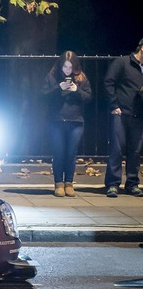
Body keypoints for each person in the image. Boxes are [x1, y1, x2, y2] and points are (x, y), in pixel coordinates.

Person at [42, 51, 92, 197]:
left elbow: (89, 97)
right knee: (58, 152)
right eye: (65, 67)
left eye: (70, 67)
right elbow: (43, 96)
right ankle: (58, 183)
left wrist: (77, 91)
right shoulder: (52, 76)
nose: (68, 70)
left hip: (75, 121)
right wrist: (59, 88)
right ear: (60, 66)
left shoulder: (81, 78)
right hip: (56, 120)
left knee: (71, 153)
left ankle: (69, 183)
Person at [103, 39, 143, 197]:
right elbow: (108, 82)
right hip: (121, 112)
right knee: (117, 149)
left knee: (135, 151)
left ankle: (132, 183)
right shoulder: (123, 62)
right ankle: (113, 184)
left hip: (139, 114)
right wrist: (114, 105)